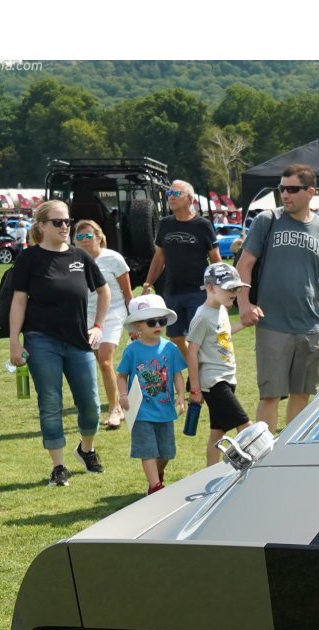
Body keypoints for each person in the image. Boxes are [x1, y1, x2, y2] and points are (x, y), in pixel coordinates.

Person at [234, 164, 319, 432]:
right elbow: (244, 264)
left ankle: (287, 457)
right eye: (282, 189)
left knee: (301, 395)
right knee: (269, 395)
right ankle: (262, 461)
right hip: (272, 324)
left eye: (292, 189)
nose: (285, 195)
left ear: (310, 191)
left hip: (310, 327)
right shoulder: (267, 221)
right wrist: (244, 303)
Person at [7, 199, 110, 486]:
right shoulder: (29, 259)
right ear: (41, 226)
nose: (65, 226)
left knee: (90, 403)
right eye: (58, 222)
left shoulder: (80, 256)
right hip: (41, 342)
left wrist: (99, 326)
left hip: (78, 341)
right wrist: (15, 341)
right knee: (50, 402)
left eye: (67, 221)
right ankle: (59, 466)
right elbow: (18, 301)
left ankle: (86, 450)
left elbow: (104, 292)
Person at [116, 293, 192, 495]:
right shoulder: (132, 351)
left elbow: (177, 375)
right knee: (147, 450)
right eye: (151, 322)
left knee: (166, 452)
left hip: (165, 411)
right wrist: (123, 395)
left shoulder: (170, 348)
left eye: (161, 321)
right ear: (138, 326)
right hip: (141, 411)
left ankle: (157, 476)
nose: (158, 325)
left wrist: (180, 396)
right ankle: (155, 487)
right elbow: (121, 375)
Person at [139, 180, 218, 359]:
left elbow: (216, 259)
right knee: (175, 337)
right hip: (172, 291)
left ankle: (202, 374)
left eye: (176, 194)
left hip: (199, 291)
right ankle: (194, 367)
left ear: (190, 199)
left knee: (199, 337)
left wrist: (217, 290)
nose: (171, 198)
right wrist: (147, 284)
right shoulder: (165, 224)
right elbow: (159, 258)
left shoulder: (203, 225)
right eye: (169, 194)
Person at [185, 262, 252, 466]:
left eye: (237, 288)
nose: (234, 292)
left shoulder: (221, 310)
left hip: (228, 377)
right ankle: (257, 468)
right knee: (246, 426)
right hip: (214, 382)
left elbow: (221, 336)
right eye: (230, 288)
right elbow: (192, 351)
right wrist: (195, 388)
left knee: (218, 433)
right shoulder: (202, 316)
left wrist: (243, 324)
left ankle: (210, 474)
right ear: (211, 288)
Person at [74, 219, 133, 429]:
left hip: (113, 314)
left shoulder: (114, 259)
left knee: (106, 360)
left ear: (99, 237)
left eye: (88, 236)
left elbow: (127, 294)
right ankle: (112, 402)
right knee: (98, 362)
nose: (84, 240)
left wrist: (133, 324)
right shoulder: (74, 259)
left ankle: (115, 409)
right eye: (79, 237)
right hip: (86, 317)